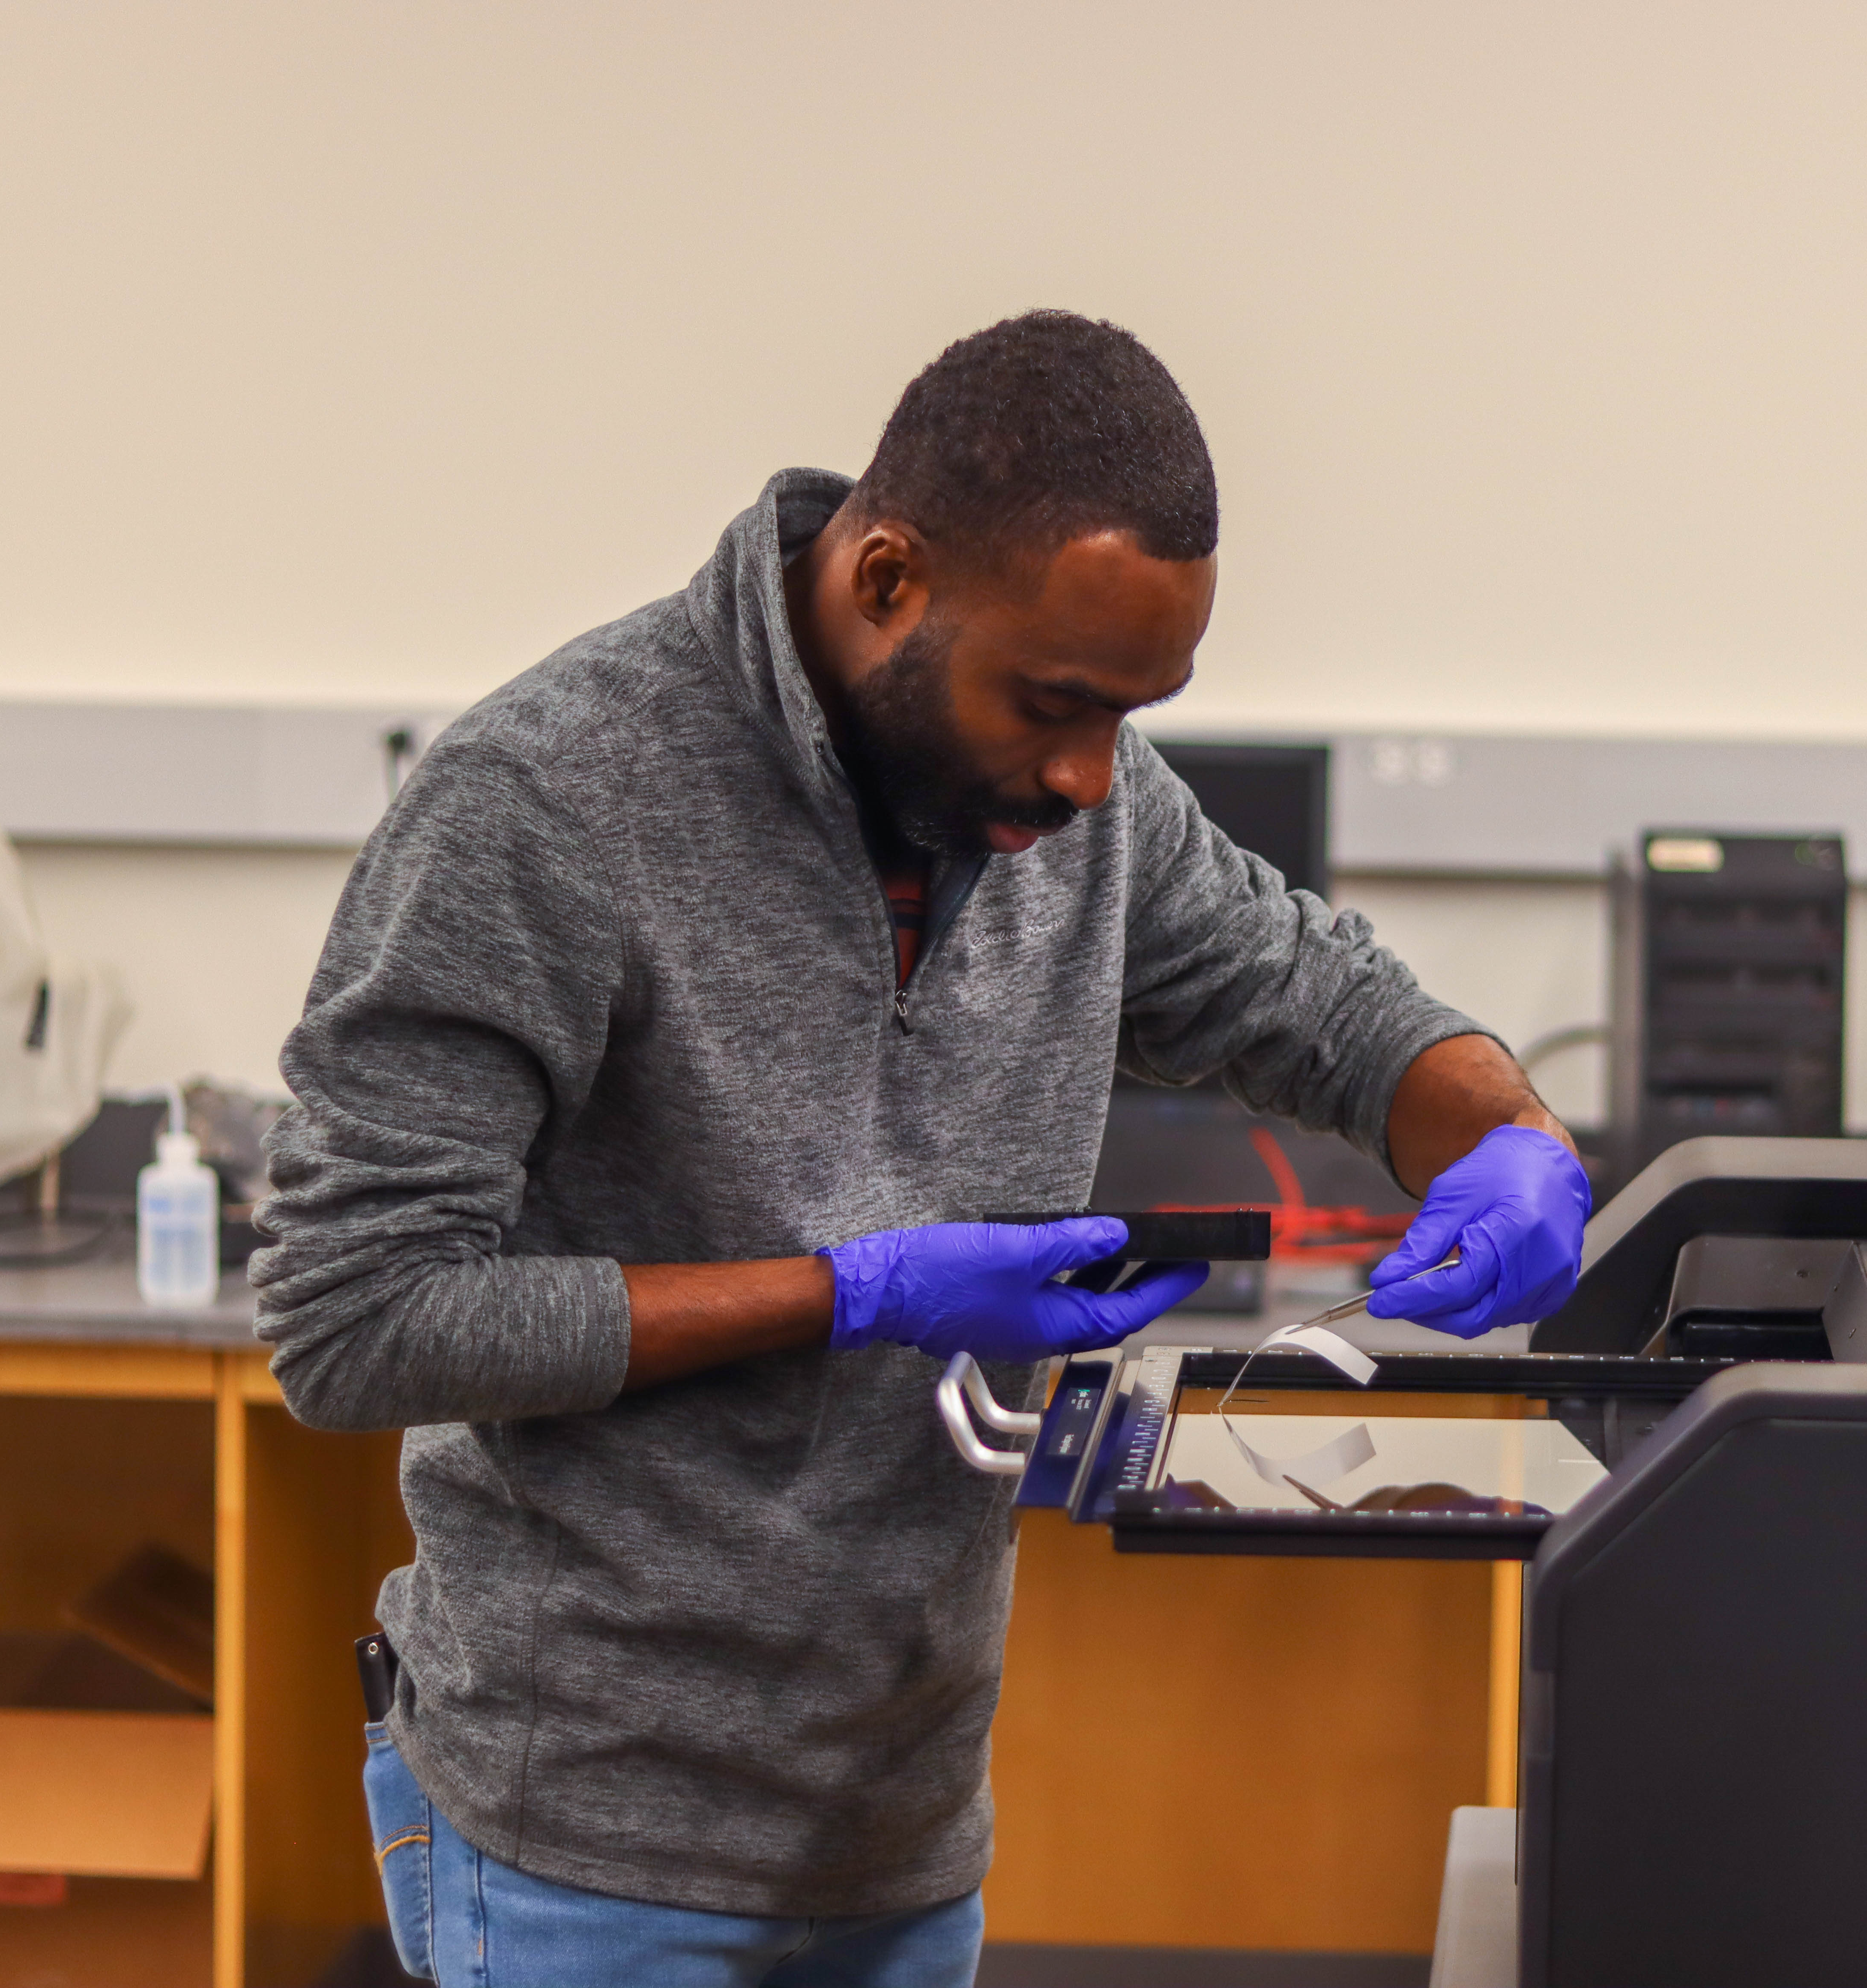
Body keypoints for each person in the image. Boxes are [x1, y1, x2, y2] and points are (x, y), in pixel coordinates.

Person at [254, 311, 1590, 1988]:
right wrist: (852, 1293)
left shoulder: (1073, 808)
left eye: (1136, 712)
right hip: (585, 1854)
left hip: (899, 1830)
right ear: (889, 580)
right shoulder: (546, 801)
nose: (1095, 775)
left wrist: (1506, 1127)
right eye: (1054, 701)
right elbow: (355, 1319)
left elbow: (1312, 991)